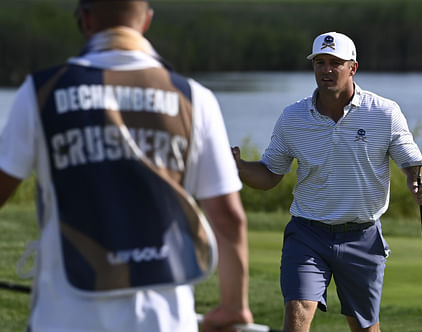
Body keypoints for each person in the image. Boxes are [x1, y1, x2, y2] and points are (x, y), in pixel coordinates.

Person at [0, 0, 253, 331]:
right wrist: (234, 307)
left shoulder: (41, 91)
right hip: (164, 317)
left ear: (86, 20)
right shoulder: (193, 97)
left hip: (64, 315)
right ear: (146, 21)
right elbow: (228, 217)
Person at [232, 31, 422, 332]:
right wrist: (238, 167)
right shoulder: (293, 118)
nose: (326, 70)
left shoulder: (383, 113)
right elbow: (270, 174)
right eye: (320, 62)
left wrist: (421, 181)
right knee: (297, 311)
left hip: (362, 237)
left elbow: (414, 164)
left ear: (352, 67)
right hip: (307, 232)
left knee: (364, 327)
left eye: (335, 63)